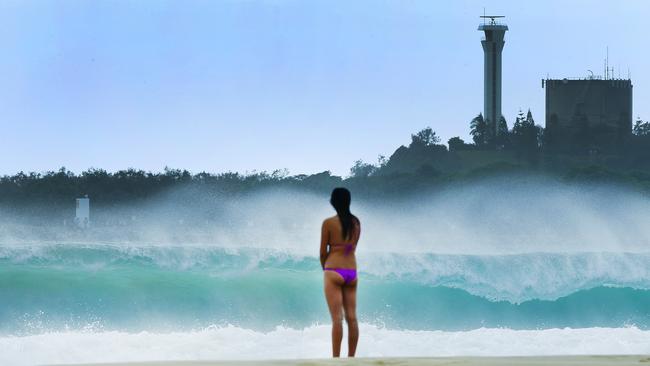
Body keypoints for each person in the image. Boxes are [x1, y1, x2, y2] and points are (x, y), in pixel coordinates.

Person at [320, 187, 361, 358]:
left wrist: (326, 268)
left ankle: (336, 359)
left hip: (333, 269)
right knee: (352, 318)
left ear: (333, 202)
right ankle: (351, 358)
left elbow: (323, 252)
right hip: (352, 272)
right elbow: (353, 248)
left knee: (337, 319)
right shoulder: (356, 223)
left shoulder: (328, 223)